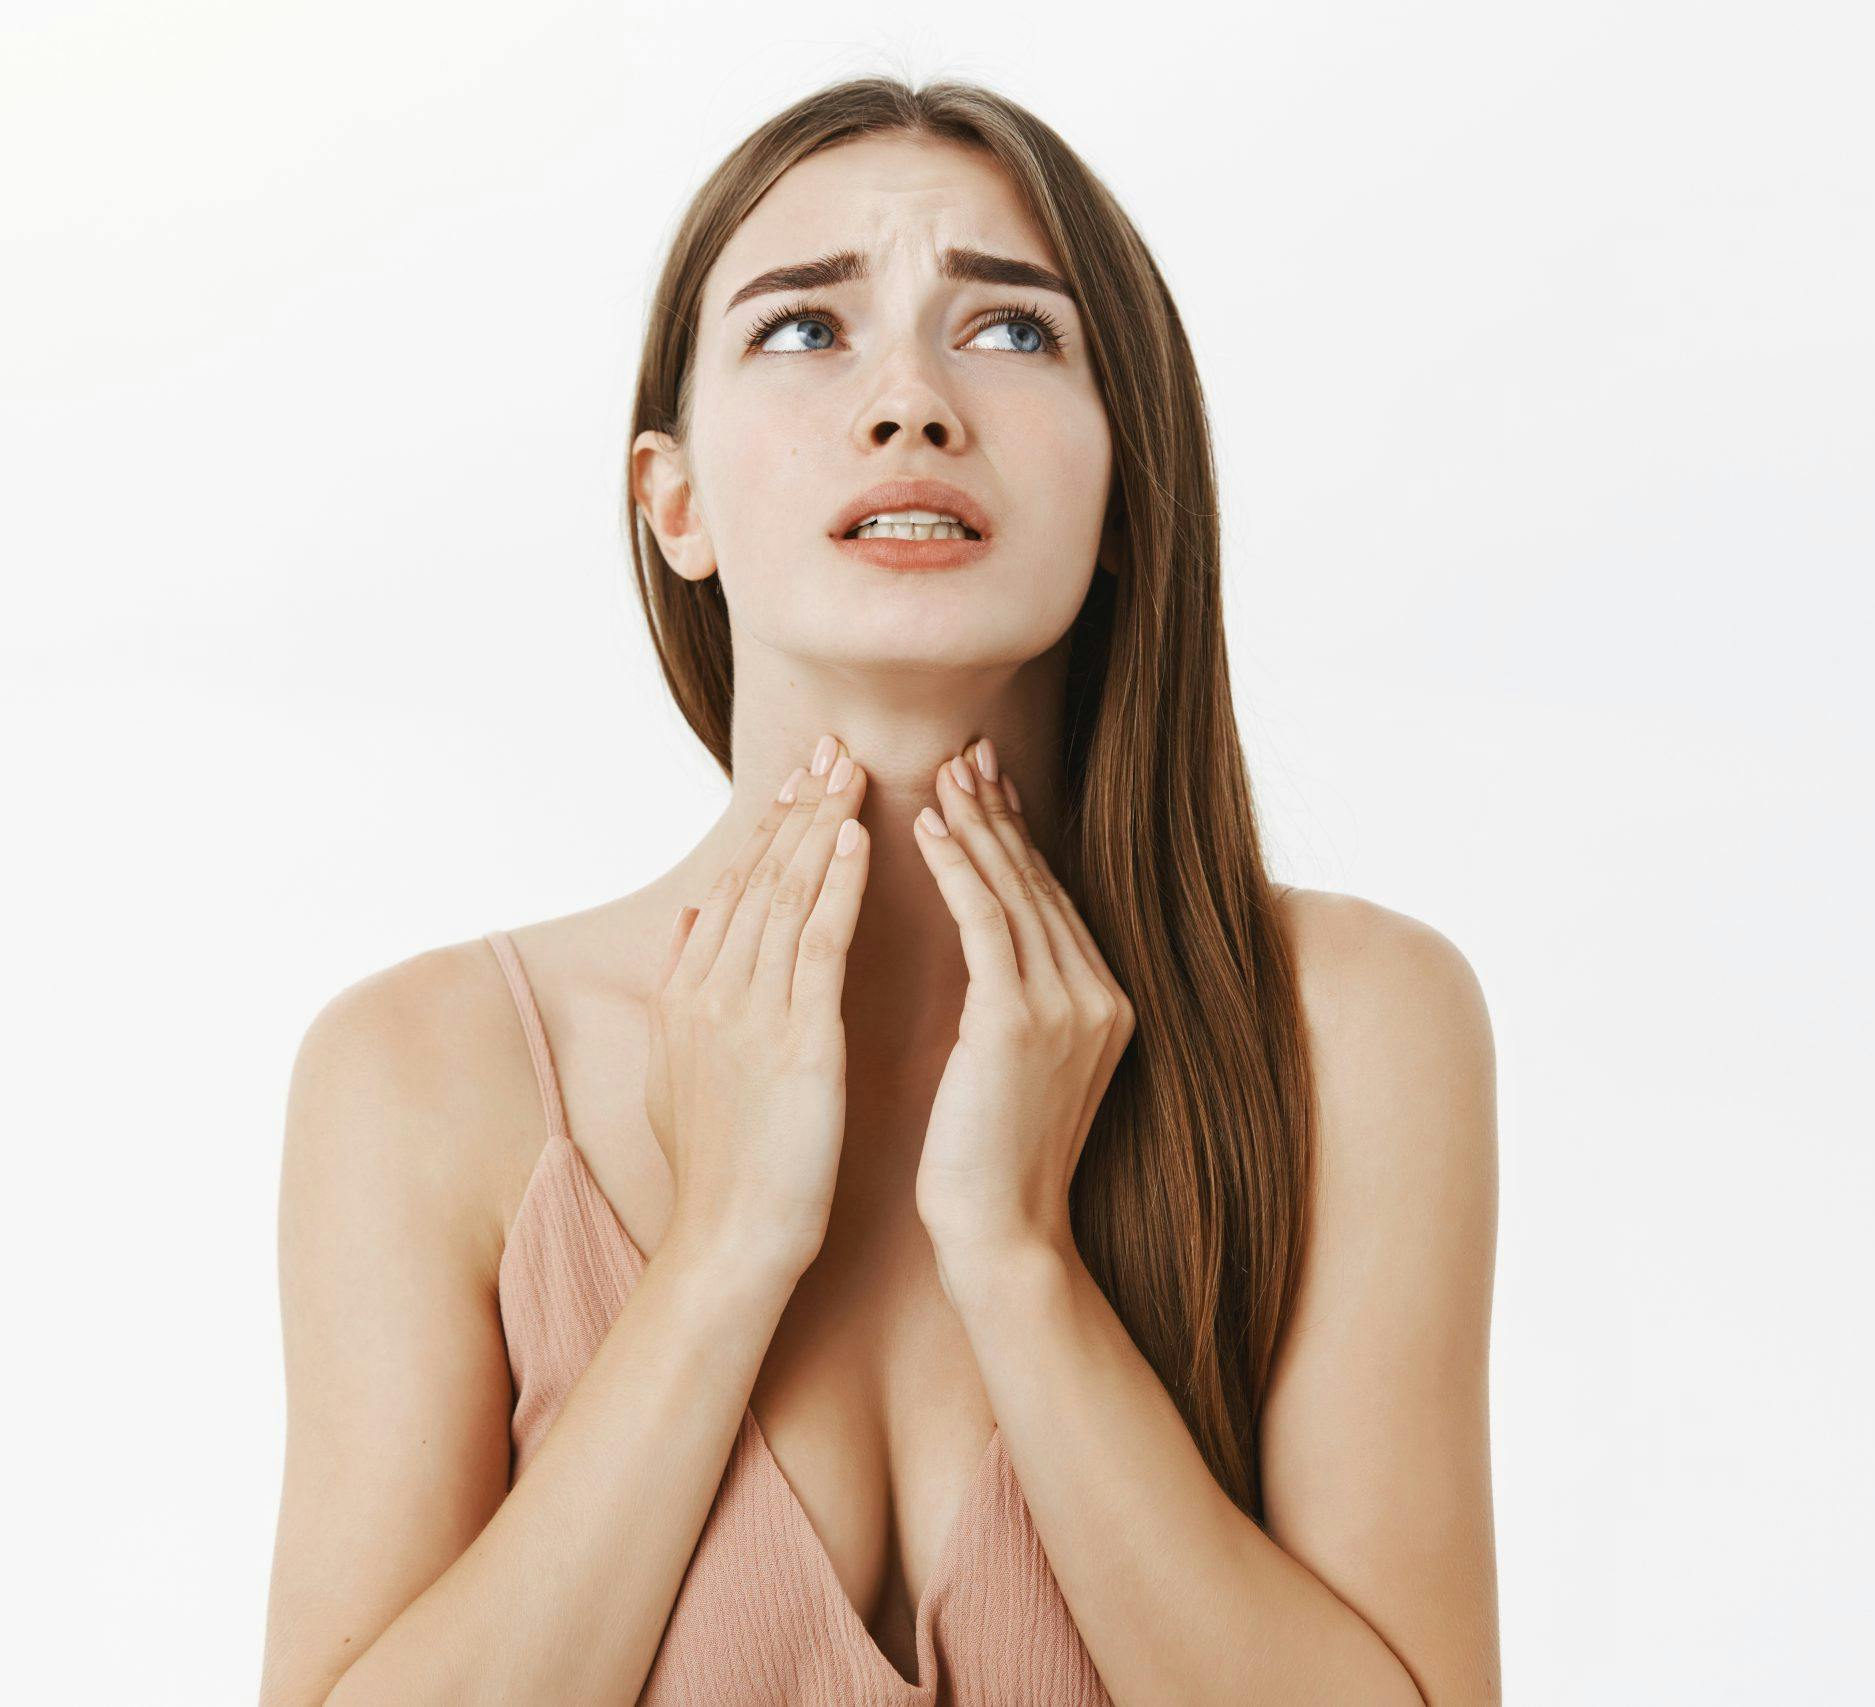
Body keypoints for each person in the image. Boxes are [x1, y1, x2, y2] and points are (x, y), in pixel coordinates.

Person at [260, 76, 1500, 1706]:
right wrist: (718, 1257)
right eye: (801, 332)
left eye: (1011, 334)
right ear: (675, 500)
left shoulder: (1354, 1026)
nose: (912, 401)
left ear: (1128, 489)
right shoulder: (425, 1073)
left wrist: (1018, 1259)